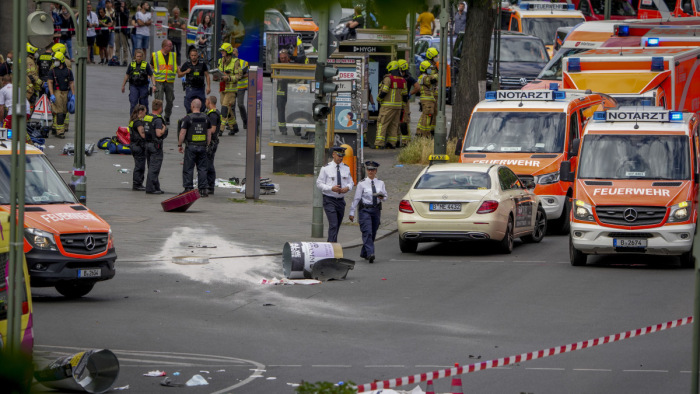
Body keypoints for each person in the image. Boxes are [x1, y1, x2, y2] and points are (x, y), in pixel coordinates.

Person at [349, 161, 387, 263]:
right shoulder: (362, 184)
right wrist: (352, 212)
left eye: (373, 170)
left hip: (376, 210)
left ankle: (364, 252)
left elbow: (385, 197)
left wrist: (382, 197)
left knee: (373, 232)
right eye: (369, 169)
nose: (370, 171)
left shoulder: (381, 183)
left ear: (376, 171)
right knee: (367, 232)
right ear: (366, 170)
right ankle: (370, 253)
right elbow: (356, 198)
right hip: (365, 210)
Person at [316, 146, 354, 243]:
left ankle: (331, 244)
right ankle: (332, 246)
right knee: (333, 223)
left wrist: (347, 188)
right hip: (329, 199)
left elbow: (351, 182)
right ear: (333, 154)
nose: (340, 158)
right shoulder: (326, 168)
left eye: (342, 156)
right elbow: (319, 183)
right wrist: (331, 188)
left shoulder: (346, 168)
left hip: (340, 201)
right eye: (338, 155)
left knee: (337, 225)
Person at [178, 98, 214, 197]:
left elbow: (182, 133)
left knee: (188, 168)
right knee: (202, 168)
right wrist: (207, 144)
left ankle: (188, 188)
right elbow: (209, 134)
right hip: (202, 146)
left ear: (192, 106)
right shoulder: (206, 118)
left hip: (191, 147)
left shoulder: (188, 118)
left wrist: (180, 144)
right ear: (200, 106)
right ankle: (203, 189)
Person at [375, 61, 408, 149]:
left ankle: (379, 143)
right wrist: (403, 106)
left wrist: (378, 99)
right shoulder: (402, 80)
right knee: (394, 125)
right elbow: (405, 95)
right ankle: (391, 143)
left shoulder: (388, 79)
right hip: (398, 107)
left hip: (387, 106)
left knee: (382, 123)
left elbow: (384, 91)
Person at [48, 51, 74, 139]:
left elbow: (71, 83)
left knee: (63, 112)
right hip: (57, 92)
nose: (55, 62)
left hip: (65, 92)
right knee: (59, 112)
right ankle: (60, 132)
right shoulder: (52, 71)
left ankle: (56, 128)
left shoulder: (68, 71)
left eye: (56, 60)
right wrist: (52, 94)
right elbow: (50, 83)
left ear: (61, 60)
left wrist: (73, 95)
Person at [143, 99, 166, 194]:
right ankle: (150, 188)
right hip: (155, 145)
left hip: (147, 144)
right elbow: (158, 133)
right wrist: (164, 128)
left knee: (151, 166)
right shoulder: (158, 119)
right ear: (160, 108)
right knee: (154, 168)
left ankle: (156, 187)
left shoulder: (147, 117)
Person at [122, 49, 155, 115]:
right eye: (137, 56)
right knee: (133, 103)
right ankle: (133, 119)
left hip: (143, 86)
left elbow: (151, 75)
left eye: (140, 56)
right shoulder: (131, 65)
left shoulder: (146, 65)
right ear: (135, 57)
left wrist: (154, 85)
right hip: (133, 86)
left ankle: (145, 119)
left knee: (144, 103)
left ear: (142, 57)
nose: (139, 58)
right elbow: (127, 75)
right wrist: (123, 85)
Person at [178, 47, 210, 114]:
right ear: (190, 56)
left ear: (197, 55)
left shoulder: (202, 64)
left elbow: (207, 75)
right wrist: (186, 72)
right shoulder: (187, 64)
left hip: (200, 88)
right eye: (192, 55)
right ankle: (190, 117)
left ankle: (200, 117)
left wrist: (208, 87)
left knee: (202, 105)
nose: (193, 57)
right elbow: (179, 75)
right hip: (190, 88)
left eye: (195, 55)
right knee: (188, 104)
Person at [217, 43, 240, 135]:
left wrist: (229, 78)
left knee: (224, 109)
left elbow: (239, 76)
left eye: (223, 51)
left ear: (228, 52)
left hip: (231, 90)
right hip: (222, 89)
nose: (222, 52)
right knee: (228, 110)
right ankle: (234, 127)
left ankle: (220, 129)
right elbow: (219, 72)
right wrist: (216, 76)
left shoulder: (235, 62)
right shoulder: (220, 61)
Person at [152, 39, 177, 124]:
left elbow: (176, 67)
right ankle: (158, 117)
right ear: (164, 46)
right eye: (170, 46)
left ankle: (167, 116)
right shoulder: (156, 55)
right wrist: (152, 82)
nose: (171, 48)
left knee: (170, 100)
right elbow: (151, 67)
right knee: (159, 100)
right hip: (159, 81)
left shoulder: (173, 55)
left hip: (169, 82)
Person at [205, 96, 221, 195]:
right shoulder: (213, 113)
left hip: (212, 143)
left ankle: (210, 186)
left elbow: (213, 129)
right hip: (213, 142)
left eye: (206, 101)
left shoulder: (213, 115)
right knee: (208, 163)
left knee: (208, 164)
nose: (205, 103)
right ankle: (209, 185)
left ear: (209, 102)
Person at [417, 60, 438, 138]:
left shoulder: (423, 77)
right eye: (429, 68)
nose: (430, 69)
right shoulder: (424, 77)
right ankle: (425, 134)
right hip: (427, 100)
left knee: (425, 117)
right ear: (425, 69)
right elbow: (432, 80)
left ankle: (420, 133)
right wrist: (438, 74)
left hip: (427, 100)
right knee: (427, 118)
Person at [397, 59, 415, 147]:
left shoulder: (407, 78)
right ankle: (398, 140)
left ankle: (405, 141)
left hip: (403, 101)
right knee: (398, 120)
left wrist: (409, 93)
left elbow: (417, 87)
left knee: (404, 121)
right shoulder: (408, 77)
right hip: (399, 101)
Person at [129, 104, 147, 191]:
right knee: (140, 166)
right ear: (141, 111)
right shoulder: (138, 122)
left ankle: (137, 183)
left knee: (138, 165)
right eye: (145, 112)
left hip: (133, 145)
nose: (145, 114)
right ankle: (137, 184)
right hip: (138, 146)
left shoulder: (133, 121)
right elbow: (142, 135)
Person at [276, 49, 291, 135]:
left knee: (293, 110)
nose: (283, 59)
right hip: (280, 92)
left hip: (291, 92)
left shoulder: (292, 67)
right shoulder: (277, 67)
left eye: (285, 57)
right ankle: (282, 129)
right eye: (281, 58)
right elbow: (273, 77)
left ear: (288, 58)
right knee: (281, 111)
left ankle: (297, 130)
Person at [233, 47, 249, 129]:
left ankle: (245, 121)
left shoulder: (244, 62)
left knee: (240, 104)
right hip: (231, 87)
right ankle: (233, 124)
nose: (233, 56)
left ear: (237, 54)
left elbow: (248, 74)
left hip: (241, 87)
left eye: (234, 54)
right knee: (231, 105)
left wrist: (241, 75)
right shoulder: (228, 63)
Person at [113, 0, 130, 65]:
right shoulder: (117, 10)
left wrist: (122, 12)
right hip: (117, 29)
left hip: (123, 30)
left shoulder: (126, 10)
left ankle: (125, 59)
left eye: (123, 2)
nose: (121, 3)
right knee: (117, 45)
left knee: (124, 46)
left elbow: (126, 18)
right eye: (120, 2)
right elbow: (115, 19)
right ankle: (117, 58)